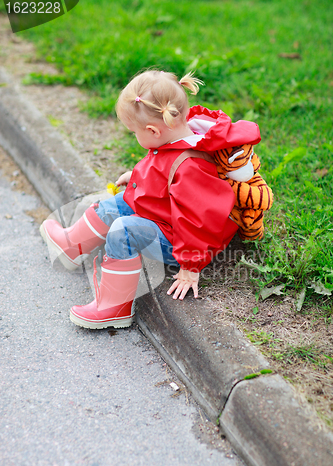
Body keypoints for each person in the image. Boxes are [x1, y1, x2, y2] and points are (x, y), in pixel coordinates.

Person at [40, 70, 261, 330]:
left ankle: (114, 306)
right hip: (169, 216)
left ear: (154, 131)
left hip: (183, 241)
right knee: (119, 203)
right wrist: (136, 176)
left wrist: (191, 265)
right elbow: (162, 169)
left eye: (134, 131)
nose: (135, 136)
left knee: (125, 232)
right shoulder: (177, 138)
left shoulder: (192, 167)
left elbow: (199, 220)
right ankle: (71, 246)